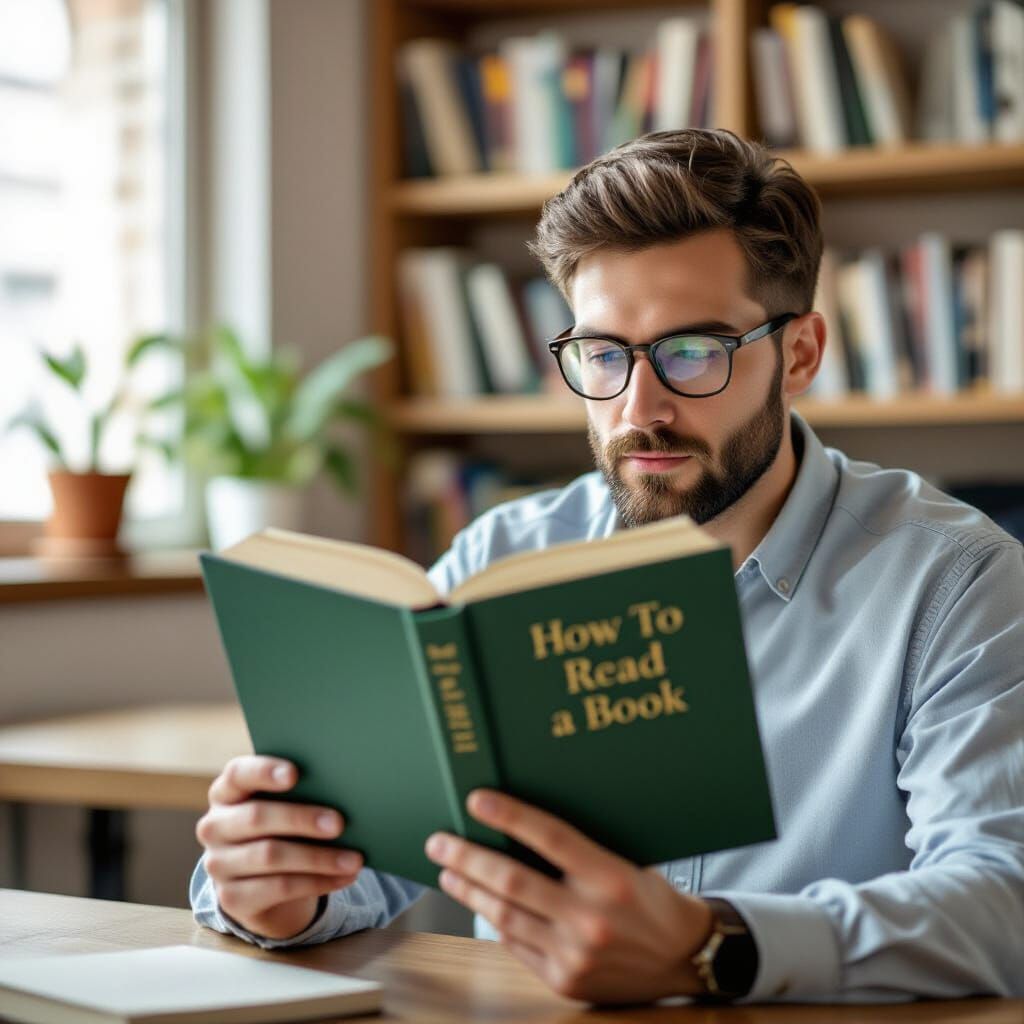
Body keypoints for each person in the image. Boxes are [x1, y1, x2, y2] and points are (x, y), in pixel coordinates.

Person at [190, 129, 1024, 1003]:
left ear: (801, 354)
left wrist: (717, 946)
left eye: (694, 352)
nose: (639, 407)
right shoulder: (501, 559)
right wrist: (280, 891)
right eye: (603, 354)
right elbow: (385, 852)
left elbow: (1004, 900)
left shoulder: (957, 583)